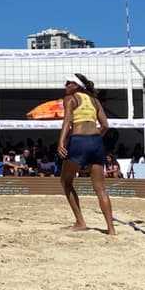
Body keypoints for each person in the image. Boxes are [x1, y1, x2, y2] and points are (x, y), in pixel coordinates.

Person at [57, 73, 115, 235]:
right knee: (100, 189)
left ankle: (80, 222)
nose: (65, 85)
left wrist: (61, 141)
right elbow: (105, 126)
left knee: (66, 181)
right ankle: (111, 228)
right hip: (96, 142)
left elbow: (67, 121)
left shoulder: (70, 98)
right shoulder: (95, 101)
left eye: (68, 83)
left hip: (78, 141)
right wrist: (93, 139)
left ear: (76, 85)